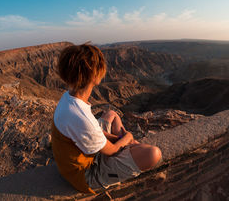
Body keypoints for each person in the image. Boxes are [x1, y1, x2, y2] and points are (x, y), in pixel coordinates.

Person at [51, 43, 162, 194]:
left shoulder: (68, 98)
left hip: (77, 157)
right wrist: (127, 137)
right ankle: (132, 149)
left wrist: (118, 139)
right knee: (153, 154)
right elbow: (112, 150)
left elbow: (92, 133)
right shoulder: (81, 117)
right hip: (87, 175)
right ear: (95, 76)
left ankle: (131, 149)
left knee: (112, 114)